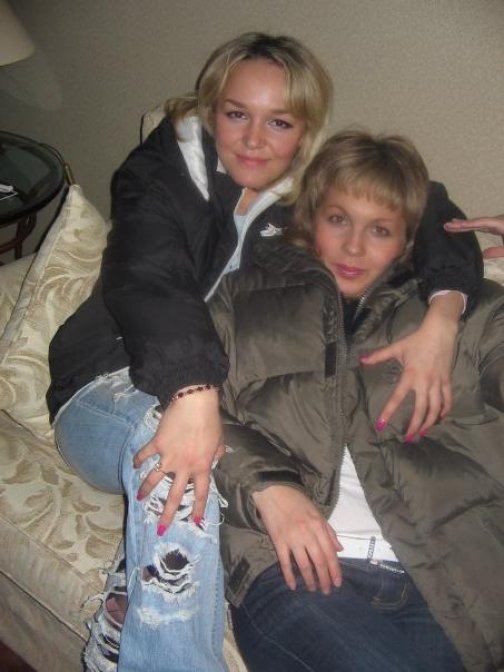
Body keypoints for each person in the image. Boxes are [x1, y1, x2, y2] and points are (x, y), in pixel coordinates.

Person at [46, 32, 482, 671]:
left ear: (304, 132)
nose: (254, 141)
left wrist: (445, 312)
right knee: (175, 444)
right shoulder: (162, 169)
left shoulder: (306, 197)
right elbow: (149, 271)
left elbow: (424, 204)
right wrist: (195, 395)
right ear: (210, 110)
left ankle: (129, 602)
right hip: (108, 383)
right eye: (236, 114)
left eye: (279, 122)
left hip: (210, 396)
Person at [210, 131, 504, 672]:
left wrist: (447, 319)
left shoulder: (476, 315)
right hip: (293, 568)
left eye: (380, 230)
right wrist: (267, 485)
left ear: (408, 239)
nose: (353, 247)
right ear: (310, 217)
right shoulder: (241, 301)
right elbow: (189, 411)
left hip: (442, 587)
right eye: (338, 220)